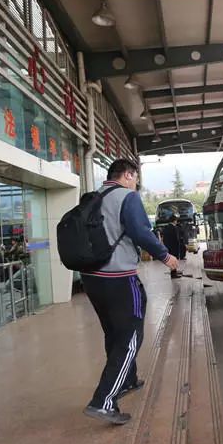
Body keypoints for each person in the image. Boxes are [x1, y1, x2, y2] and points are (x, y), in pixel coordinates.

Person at [82, 159, 178, 425]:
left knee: (114, 332)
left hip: (91, 278)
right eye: (135, 178)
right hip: (119, 278)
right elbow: (140, 232)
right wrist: (165, 256)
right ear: (127, 175)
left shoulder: (92, 197)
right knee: (131, 334)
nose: (136, 183)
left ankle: (127, 380)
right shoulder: (127, 197)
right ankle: (103, 400)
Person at [161, 214, 183, 278]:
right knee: (174, 260)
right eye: (176, 220)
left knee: (171, 260)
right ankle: (173, 274)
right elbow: (176, 238)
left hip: (168, 247)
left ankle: (174, 273)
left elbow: (164, 238)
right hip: (174, 247)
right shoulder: (174, 228)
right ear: (174, 221)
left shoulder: (166, 227)